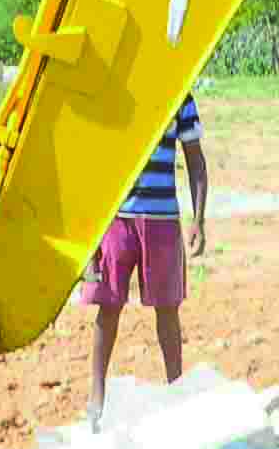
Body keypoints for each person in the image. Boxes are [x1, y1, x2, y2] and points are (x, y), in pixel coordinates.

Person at [81, 92, 208, 428]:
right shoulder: (116, 90)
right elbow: (92, 160)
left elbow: (196, 162)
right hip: (116, 218)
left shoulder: (179, 94)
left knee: (168, 309)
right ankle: (97, 394)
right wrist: (89, 233)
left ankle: (176, 389)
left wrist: (198, 220)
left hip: (162, 219)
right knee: (108, 306)